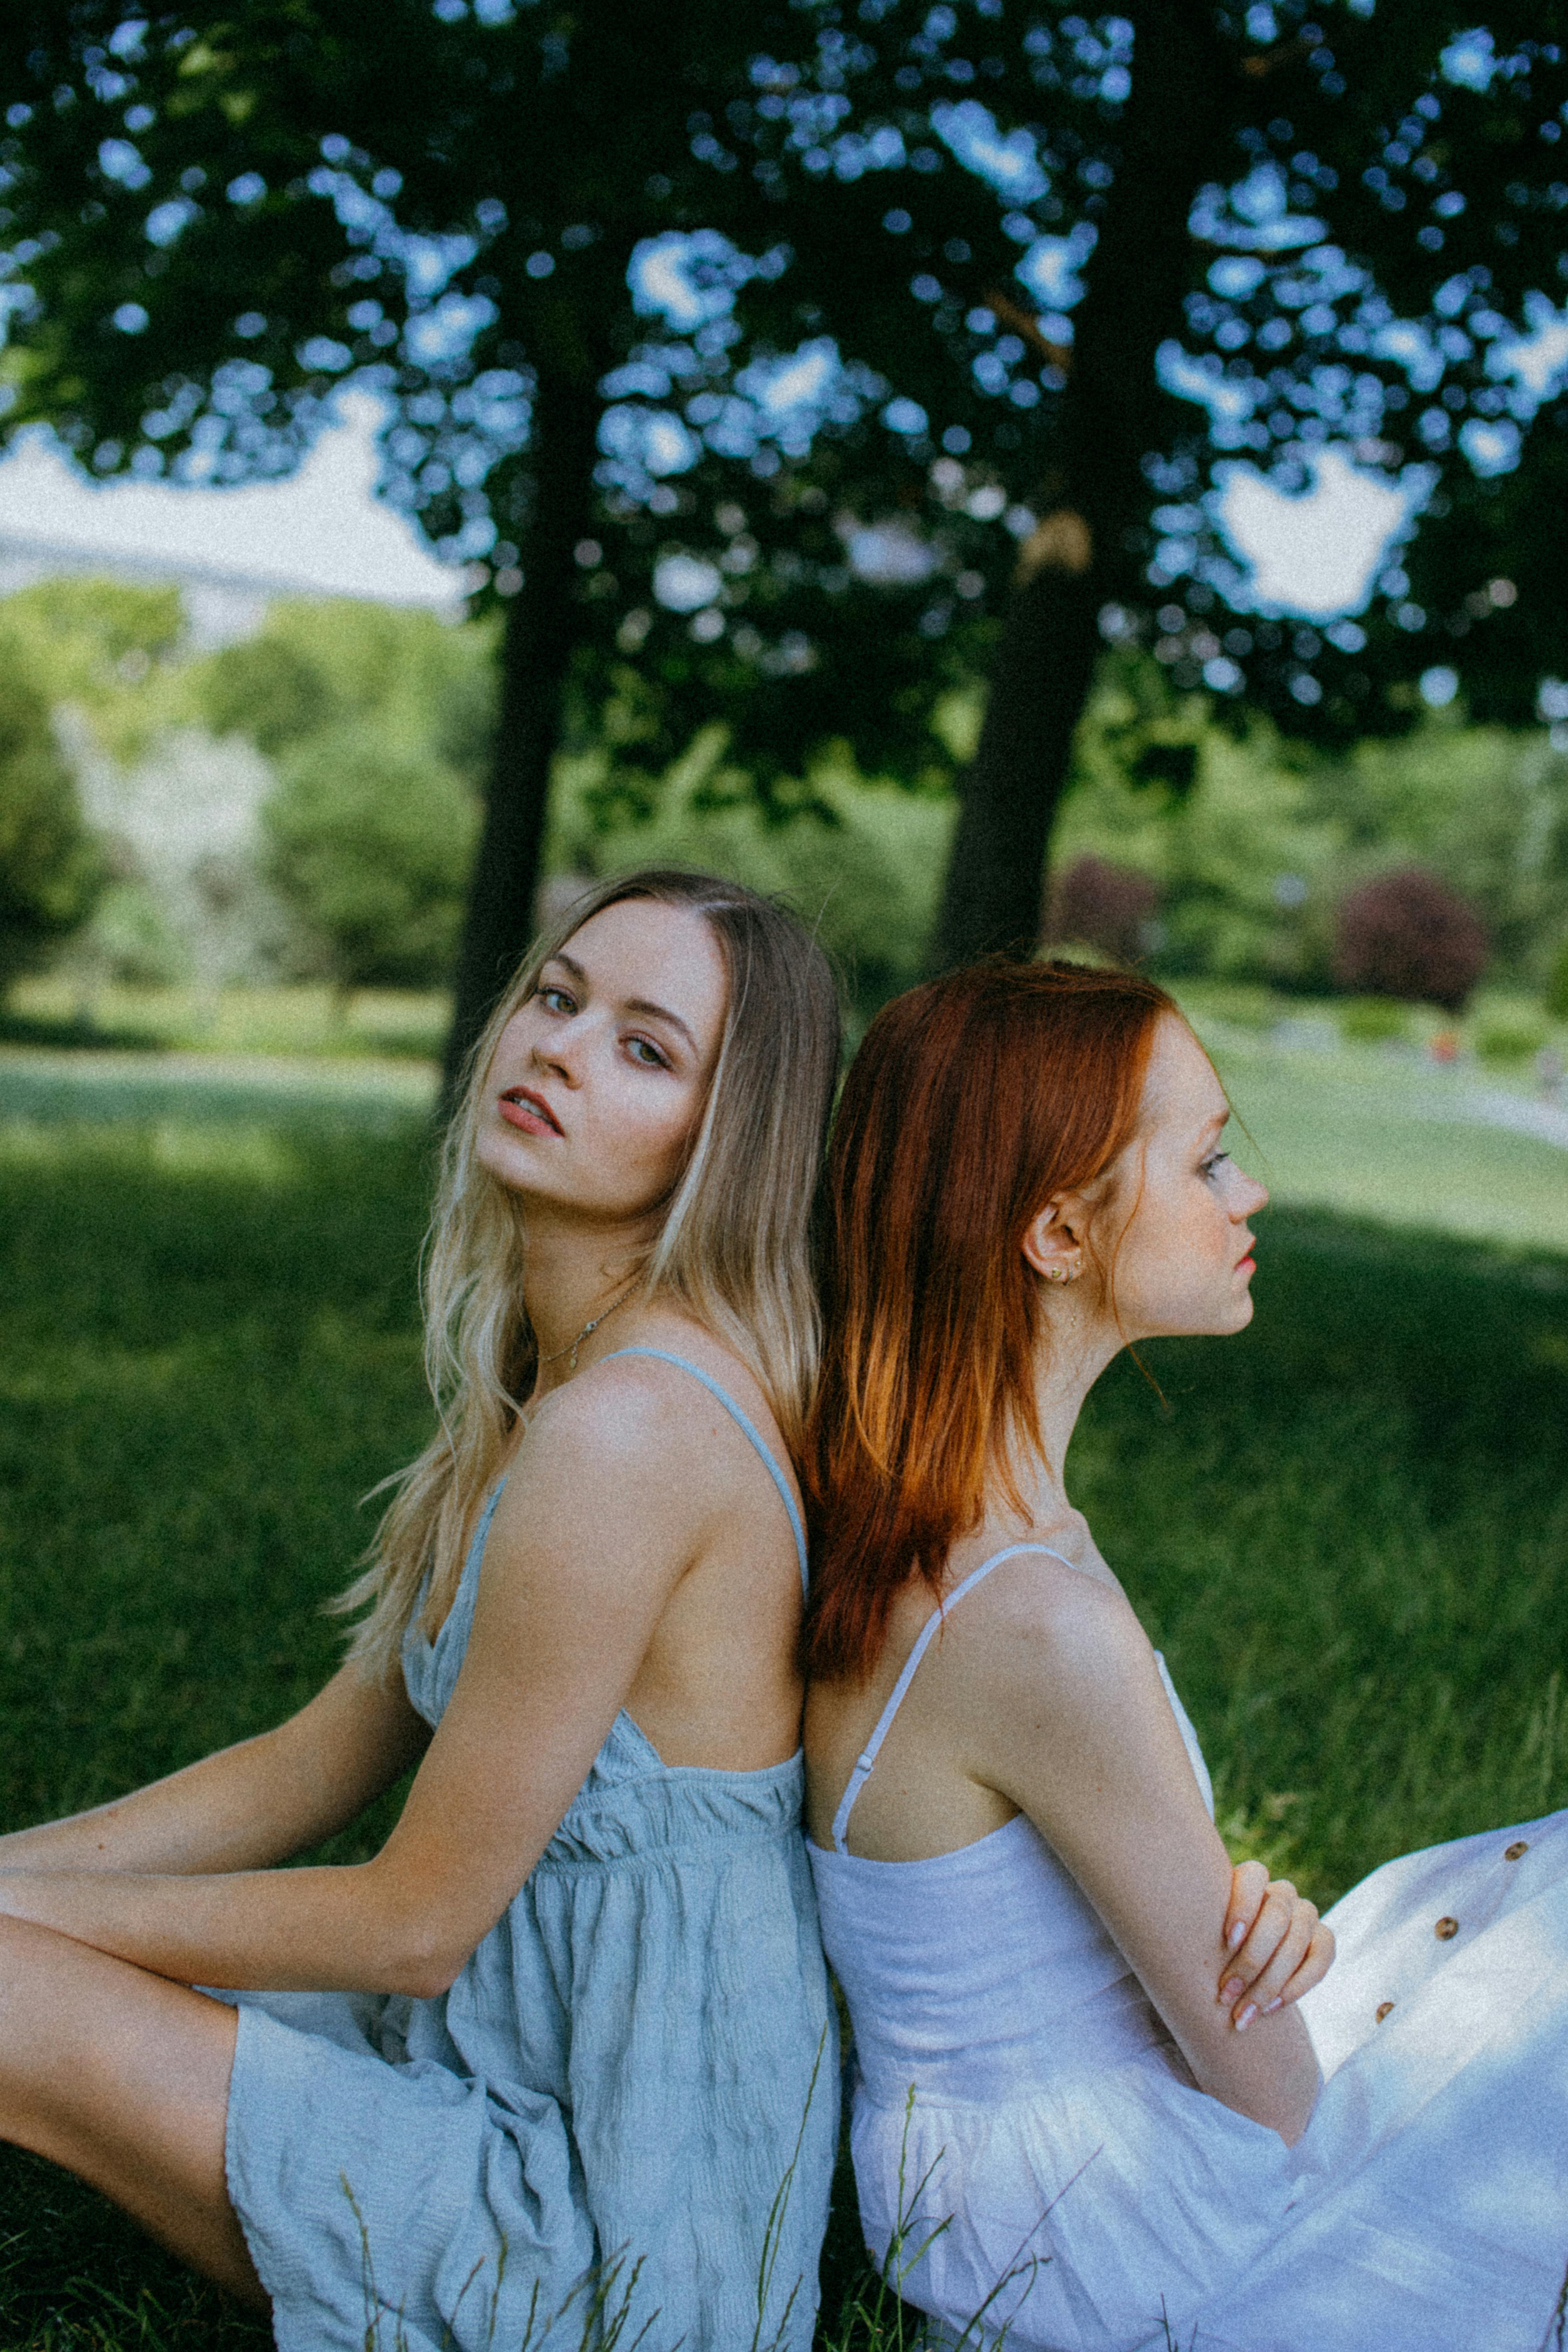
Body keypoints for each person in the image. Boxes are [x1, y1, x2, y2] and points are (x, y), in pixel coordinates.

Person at [0, 869, 841, 2352]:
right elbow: (311, 1763)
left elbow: (411, 1925)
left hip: (599, 2239)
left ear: (728, 1141)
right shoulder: (556, 1390)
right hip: (486, 2075)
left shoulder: (631, 1435)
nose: (563, 1047)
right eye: (556, 997)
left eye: (645, 1049)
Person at [804, 958, 1568, 2352]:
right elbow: (1274, 2099)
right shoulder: (1032, 1620)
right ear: (1053, 1233)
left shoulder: (948, 1525)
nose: (1247, 1194)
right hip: (1106, 2235)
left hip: (1005, 2180)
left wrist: (1254, 1924)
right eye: (1208, 1159)